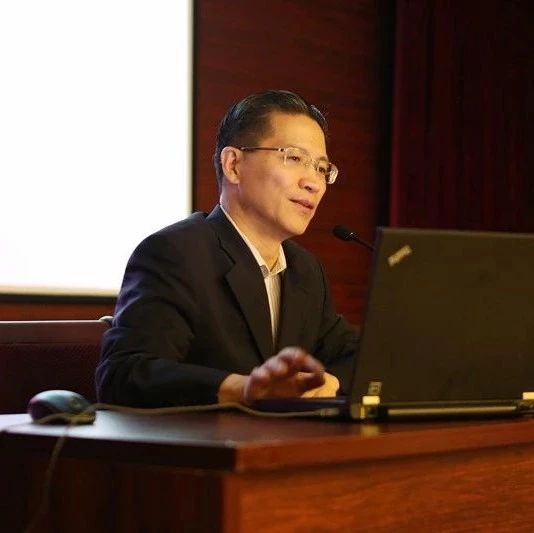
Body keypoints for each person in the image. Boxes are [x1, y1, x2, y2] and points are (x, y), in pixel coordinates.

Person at [96, 90, 358, 407]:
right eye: (294, 158)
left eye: (321, 168)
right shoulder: (177, 253)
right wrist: (241, 389)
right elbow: (124, 374)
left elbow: (356, 354)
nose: (313, 183)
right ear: (233, 164)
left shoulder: (305, 270)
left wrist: (332, 380)